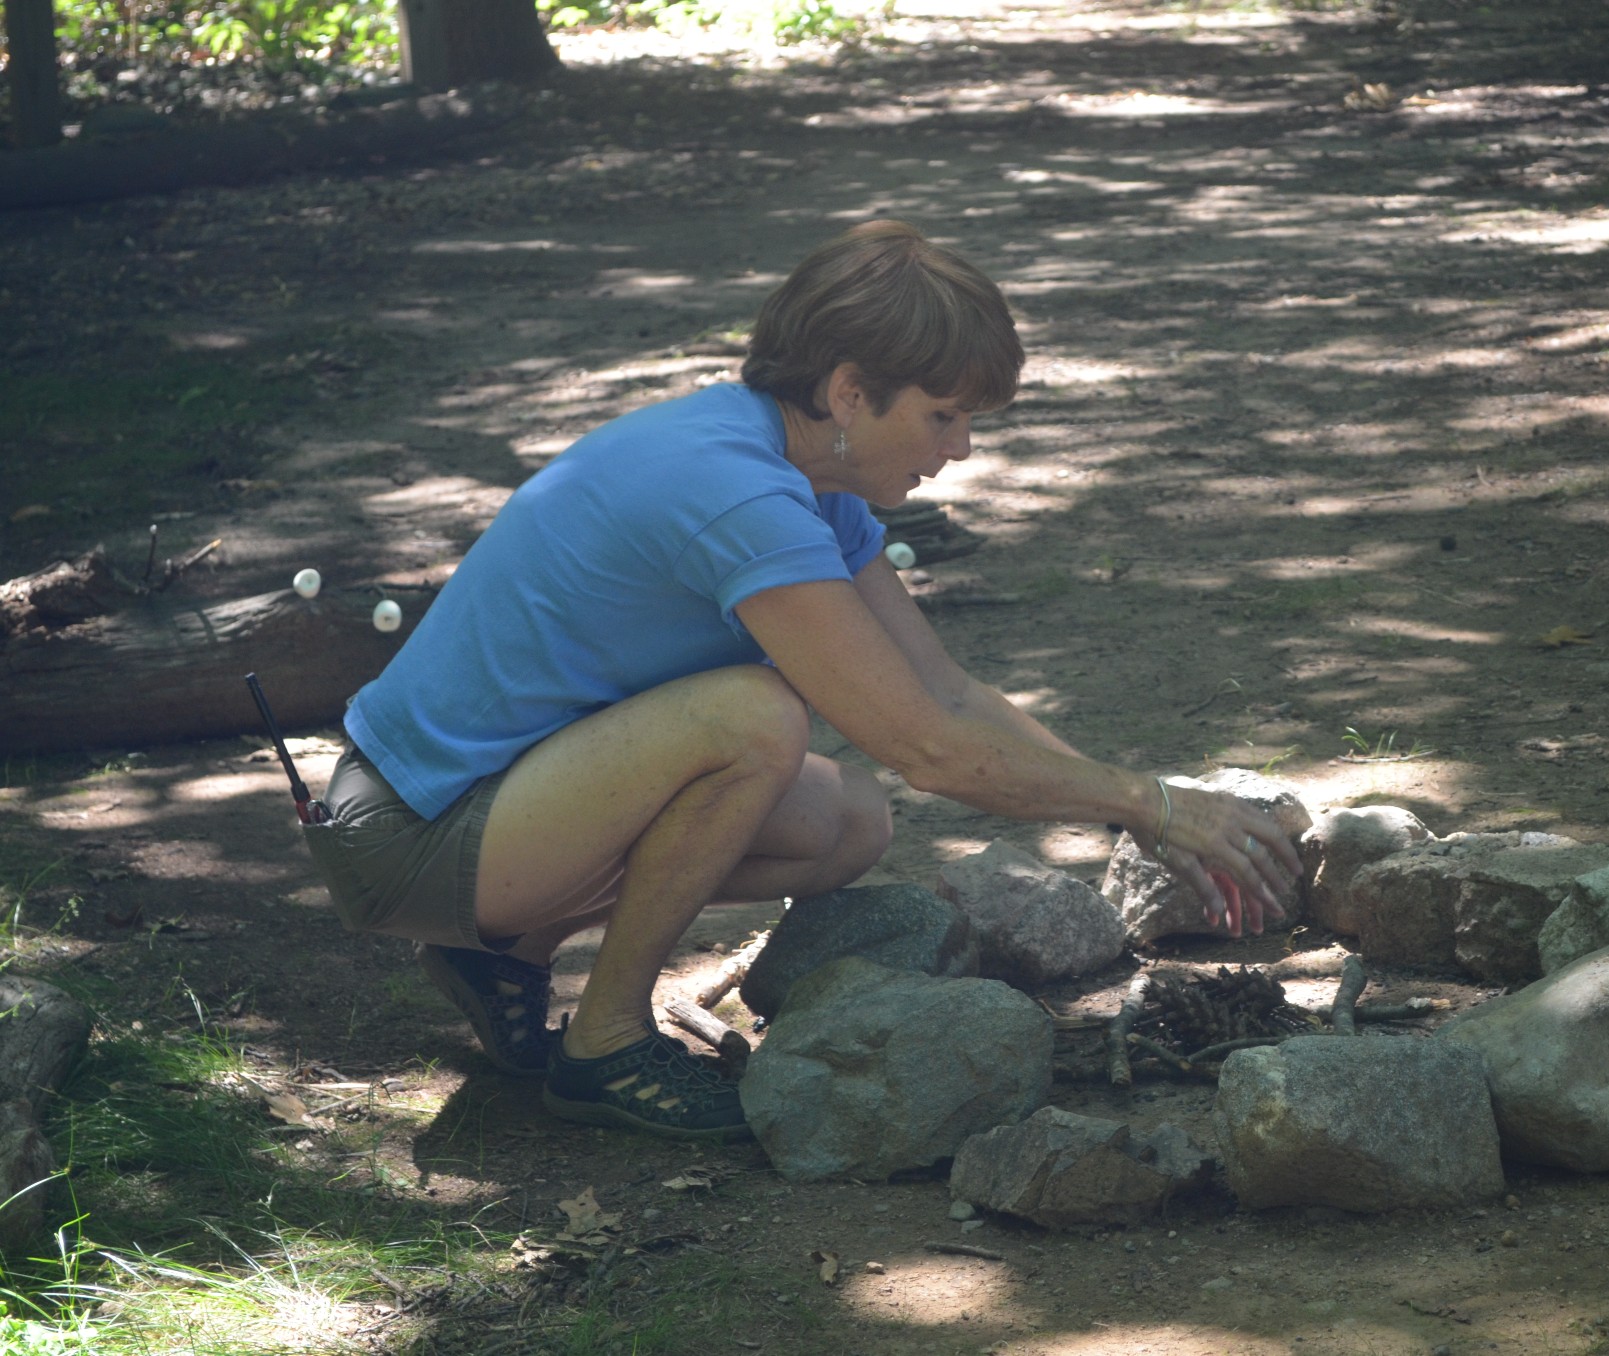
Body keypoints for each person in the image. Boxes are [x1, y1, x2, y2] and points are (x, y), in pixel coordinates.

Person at [303, 220, 1303, 1143]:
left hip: (506, 807)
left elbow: (945, 694)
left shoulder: (812, 485)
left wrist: (1143, 809)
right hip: (408, 834)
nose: (960, 450)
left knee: (846, 820)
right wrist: (1153, 804)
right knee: (753, 721)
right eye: (943, 415)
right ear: (847, 392)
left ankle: (502, 951)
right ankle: (604, 1045)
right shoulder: (735, 491)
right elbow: (928, 749)